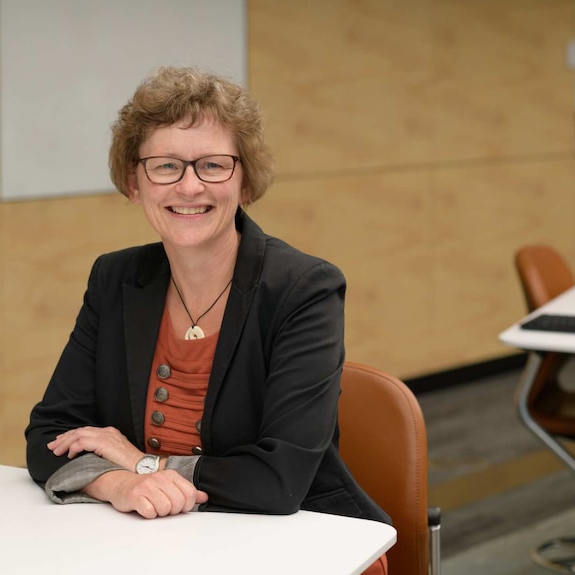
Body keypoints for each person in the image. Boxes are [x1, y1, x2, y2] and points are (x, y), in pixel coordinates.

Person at [25, 66, 390, 574]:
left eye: (213, 165)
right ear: (135, 183)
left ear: (244, 180)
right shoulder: (116, 278)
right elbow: (49, 435)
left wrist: (139, 462)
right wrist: (120, 484)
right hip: (151, 547)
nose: (190, 186)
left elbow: (277, 480)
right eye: (166, 166)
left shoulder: (304, 288)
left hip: (298, 544)